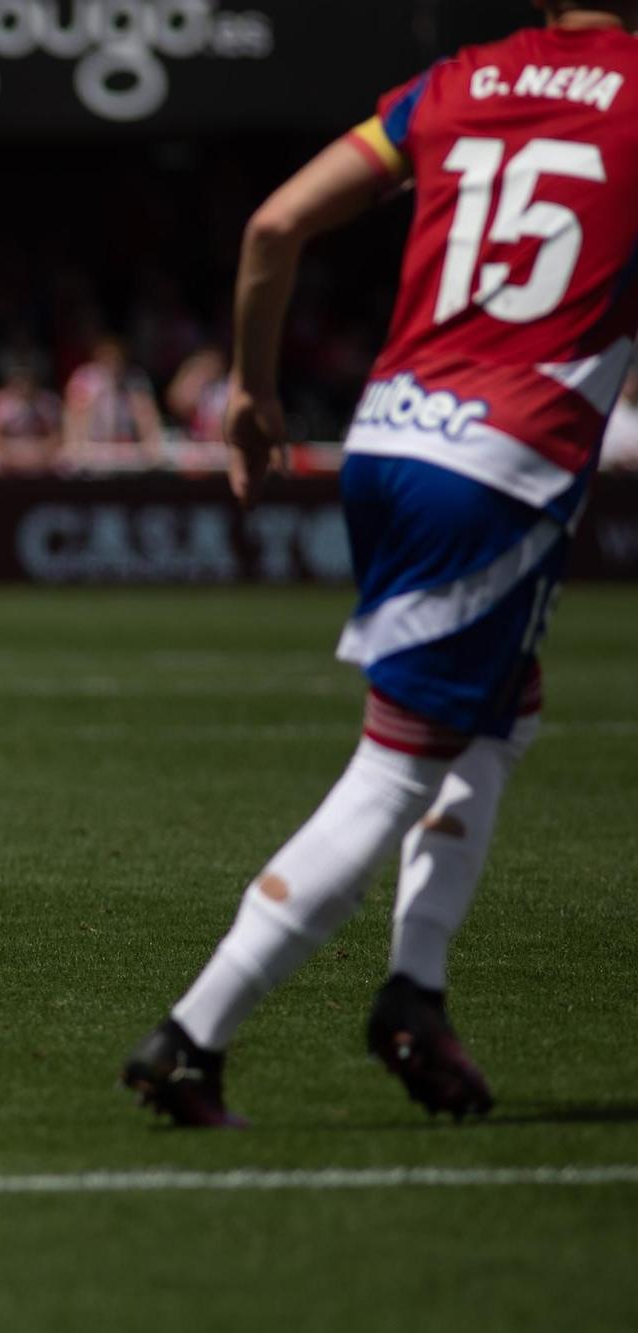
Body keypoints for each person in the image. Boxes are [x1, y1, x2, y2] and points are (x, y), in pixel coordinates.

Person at [122, 0, 638, 1128]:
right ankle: (190, 1036)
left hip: (391, 436)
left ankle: (414, 994)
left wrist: (251, 395)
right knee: (395, 769)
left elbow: (270, 229)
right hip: (500, 467)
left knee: (498, 715)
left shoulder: (453, 84)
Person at [63, 335, 165, 466]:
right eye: (106, 357)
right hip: (94, 446)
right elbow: (74, 417)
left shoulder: (135, 379)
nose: (112, 362)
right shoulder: (84, 378)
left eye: (116, 358)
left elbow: (147, 418)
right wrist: (77, 449)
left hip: (126, 447)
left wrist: (152, 447)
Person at [0, 357, 65, 474]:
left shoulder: (48, 402)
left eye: (27, 376)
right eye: (18, 377)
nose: (23, 382)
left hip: (38, 452)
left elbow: (57, 438)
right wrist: (14, 456)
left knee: (63, 461)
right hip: (6, 453)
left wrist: (37, 455)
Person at [603, 367, 638, 470]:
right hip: (608, 474)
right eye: (628, 381)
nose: (631, 386)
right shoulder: (609, 411)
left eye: (634, 381)